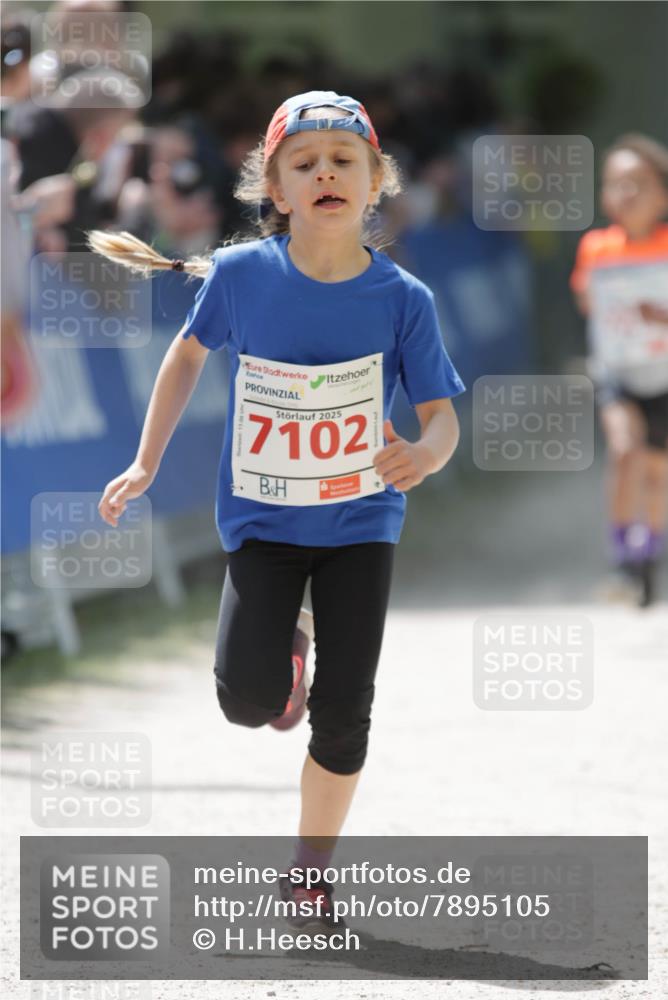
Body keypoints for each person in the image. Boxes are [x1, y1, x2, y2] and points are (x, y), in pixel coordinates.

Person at [91, 90, 464, 933]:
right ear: (277, 189)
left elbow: (442, 419)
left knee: (345, 709)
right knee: (245, 700)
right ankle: (283, 655)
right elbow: (184, 361)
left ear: (377, 183)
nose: (326, 172)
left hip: (362, 523)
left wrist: (422, 455)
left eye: (345, 160)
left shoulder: (405, 299)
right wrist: (144, 461)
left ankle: (309, 874)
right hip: (261, 525)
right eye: (305, 163)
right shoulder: (239, 277)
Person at [571, 133, 668, 607]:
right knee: (624, 451)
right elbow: (585, 298)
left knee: (657, 473)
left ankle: (649, 550)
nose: (627, 193)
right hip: (617, 372)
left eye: (639, 183)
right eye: (616, 184)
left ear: (662, 194)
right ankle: (621, 559)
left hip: (664, 375)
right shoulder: (595, 248)